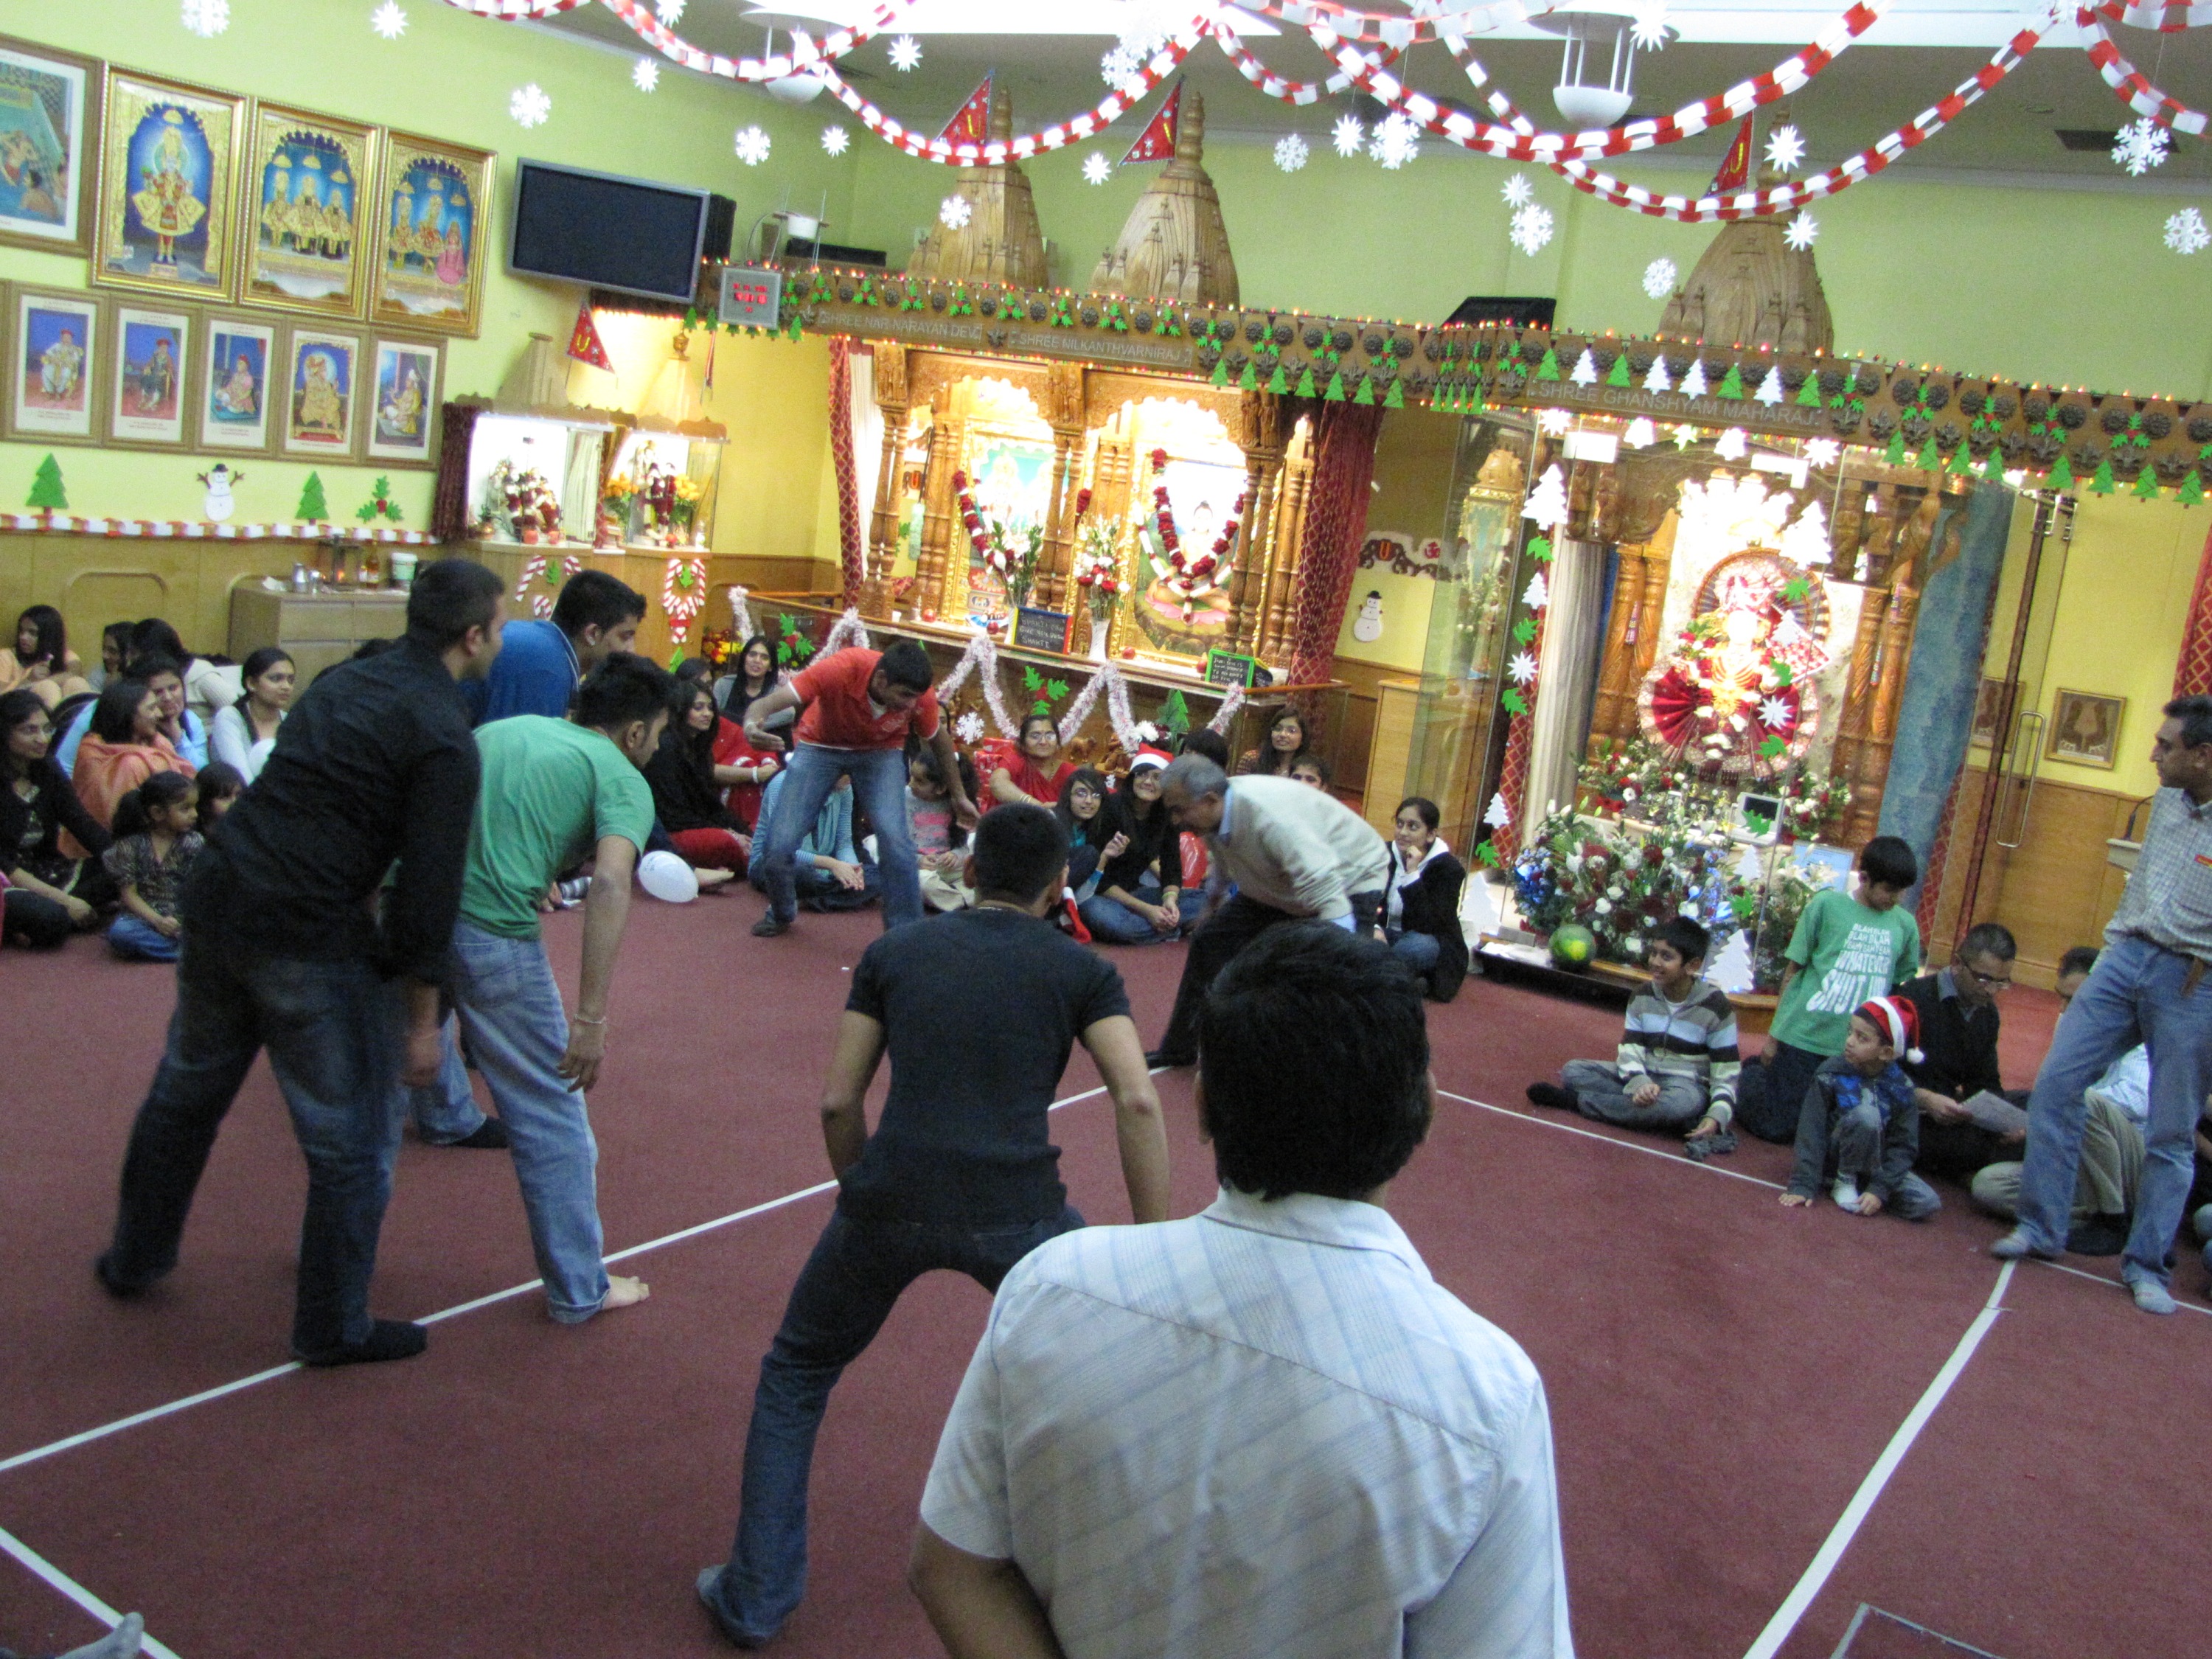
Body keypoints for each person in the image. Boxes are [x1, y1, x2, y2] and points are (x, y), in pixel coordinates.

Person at [908, 925, 1571, 1659]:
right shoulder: (1484, 1394)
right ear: (1426, 1104)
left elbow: (954, 1568)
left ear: (1203, 1106)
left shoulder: (1054, 1286)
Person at [697, 804, 1169, 1649]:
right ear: (1061, 883)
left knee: (797, 1371)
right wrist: (1159, 1242)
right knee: (1106, 1383)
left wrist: (866, 1194)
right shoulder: (1080, 971)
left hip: (891, 1194)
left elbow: (839, 1100)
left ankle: (756, 1594)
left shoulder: (894, 951)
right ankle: (1102, 1590)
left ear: (969, 869)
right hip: (1020, 1211)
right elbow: (1136, 1095)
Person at [95, 559, 505, 1367]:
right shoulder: (443, 737)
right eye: (498, 625)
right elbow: (428, 894)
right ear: (472, 636)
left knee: (187, 1090)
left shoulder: (342, 684)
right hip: (307, 931)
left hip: (222, 891)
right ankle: (332, 1325)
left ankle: (135, 1258)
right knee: (348, 1142)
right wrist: (424, 1027)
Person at [410, 653, 672, 1324]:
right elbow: (613, 883)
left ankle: (337, 1249)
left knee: (378, 1088)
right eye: (661, 731)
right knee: (554, 1114)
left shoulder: (506, 730)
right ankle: (580, 1287)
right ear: (637, 731)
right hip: (491, 931)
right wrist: (590, 1018)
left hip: (413, 910)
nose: (660, 746)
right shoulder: (620, 775)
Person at [1992, 695, 2212, 1315]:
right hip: (2124, 961)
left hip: (2195, 980)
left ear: (2203, 755)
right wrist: (2117, 947)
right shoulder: (2167, 799)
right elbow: (2141, 882)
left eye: (2167, 746)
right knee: (2057, 1085)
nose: (2154, 754)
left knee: (2172, 1133)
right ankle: (2042, 1227)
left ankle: (2146, 1266)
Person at [1146, 754, 1391, 1068]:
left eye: (1179, 809)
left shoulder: (1271, 819)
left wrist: (1337, 955)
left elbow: (1328, 892)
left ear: (1208, 800)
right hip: (1277, 886)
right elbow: (1222, 858)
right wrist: (1212, 905)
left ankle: (1352, 1064)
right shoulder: (1216, 810)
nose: (1175, 820)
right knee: (1209, 941)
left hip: (1349, 879)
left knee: (1341, 981)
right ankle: (1181, 1046)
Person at [742, 640, 977, 938]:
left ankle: (904, 935)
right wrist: (751, 726)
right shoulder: (841, 668)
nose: (910, 705)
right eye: (904, 695)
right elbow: (765, 704)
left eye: (915, 698)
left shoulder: (919, 696)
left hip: (880, 752)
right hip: (820, 746)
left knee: (896, 840)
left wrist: (958, 796)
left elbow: (939, 742)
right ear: (881, 680)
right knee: (780, 845)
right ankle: (781, 911)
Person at [1737, 835, 1921, 1144]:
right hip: (1805, 1036)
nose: (1897, 898)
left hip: (1856, 1050)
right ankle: (1752, 1073)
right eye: (1890, 889)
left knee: (1832, 1131)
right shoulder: (1826, 904)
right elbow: (1793, 973)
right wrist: (1774, 1038)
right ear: (1864, 879)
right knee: (1777, 1129)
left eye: (1903, 891)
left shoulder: (1905, 925)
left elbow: (1896, 990)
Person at [1528, 915, 1739, 1137]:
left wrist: (1716, 1114)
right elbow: (1631, 1049)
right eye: (1654, 953)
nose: (1656, 962)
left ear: (1692, 965)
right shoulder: (1641, 996)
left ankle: (1578, 1103)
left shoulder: (1716, 1008)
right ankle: (1655, 1115)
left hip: (1685, 1088)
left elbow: (1726, 1072)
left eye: (1666, 957)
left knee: (1680, 1104)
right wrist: (1639, 1082)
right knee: (1574, 1071)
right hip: (1644, 1074)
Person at [1779, 997, 1941, 1221]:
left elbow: (1904, 1146)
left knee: (1926, 1202)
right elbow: (1811, 1130)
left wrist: (1879, 1190)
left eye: (1862, 1038)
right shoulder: (1831, 1072)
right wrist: (1803, 1184)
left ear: (1885, 1053)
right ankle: (1842, 1179)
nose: (1850, 1042)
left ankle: (1864, 1190)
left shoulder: (1902, 1088)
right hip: (1834, 1156)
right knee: (1867, 1115)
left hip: (1874, 1164)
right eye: (1850, 1032)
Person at [1892, 922, 2020, 1185]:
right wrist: (1924, 1098)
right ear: (1957, 963)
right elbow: (1876, 1069)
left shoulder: (1987, 1013)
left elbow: (1984, 1080)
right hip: (1909, 1111)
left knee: (2032, 1106)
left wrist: (2002, 1119)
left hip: (1950, 1111)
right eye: (1983, 979)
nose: (1991, 990)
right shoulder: (1913, 998)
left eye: (2001, 982)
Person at [0, 688, 113, 947]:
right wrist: (66, 901)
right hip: (7, 881)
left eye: (47, 729)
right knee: (53, 921)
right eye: (30, 731)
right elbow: (4, 865)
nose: (43, 739)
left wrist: (131, 859)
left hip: (46, 869)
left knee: (121, 868)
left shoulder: (47, 768)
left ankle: (28, 924)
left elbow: (82, 824)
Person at [465, 567, 643, 726]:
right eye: (625, 637)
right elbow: (517, 757)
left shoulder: (546, 647)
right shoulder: (547, 670)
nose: (631, 650)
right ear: (592, 634)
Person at [1082, 747, 1199, 945]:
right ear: (1132, 778)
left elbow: (1172, 868)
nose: (1148, 782)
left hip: (1137, 891)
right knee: (1101, 916)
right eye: (1142, 774)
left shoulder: (1165, 815)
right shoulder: (1111, 807)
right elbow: (1099, 879)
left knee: (1201, 900)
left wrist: (1170, 901)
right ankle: (1170, 929)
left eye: (1156, 777)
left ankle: (1156, 925)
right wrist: (1147, 910)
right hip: (1100, 894)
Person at [644, 681, 751, 877]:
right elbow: (672, 814)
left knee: (752, 839)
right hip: (671, 831)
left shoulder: (699, 749)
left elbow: (710, 804)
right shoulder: (665, 748)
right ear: (681, 710)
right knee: (728, 843)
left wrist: (739, 831)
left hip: (694, 825)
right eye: (698, 708)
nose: (707, 714)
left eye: (710, 708)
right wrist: (729, 834)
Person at [72, 676, 195, 833]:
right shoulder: (95, 752)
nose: (159, 714)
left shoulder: (157, 741)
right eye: (151, 709)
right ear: (128, 715)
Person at [102, 772, 201, 963]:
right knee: (122, 933)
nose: (195, 815)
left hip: (183, 916)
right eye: (185, 809)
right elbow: (129, 894)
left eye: (195, 807)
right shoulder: (131, 845)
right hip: (145, 917)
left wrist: (181, 920)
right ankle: (192, 954)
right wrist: (158, 921)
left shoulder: (194, 843)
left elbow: (198, 889)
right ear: (157, 813)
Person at [1380, 796, 1470, 1001]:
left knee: (1418, 947)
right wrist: (1375, 929)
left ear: (1430, 835)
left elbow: (1428, 925)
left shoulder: (1448, 869)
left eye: (1413, 827)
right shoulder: (1382, 853)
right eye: (1400, 824)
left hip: (1425, 938)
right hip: (1385, 934)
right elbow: (1364, 900)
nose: (1402, 833)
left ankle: (1379, 980)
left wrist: (1412, 875)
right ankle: (1399, 982)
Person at [749, 768, 877, 912]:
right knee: (799, 872)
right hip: (775, 862)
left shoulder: (845, 789)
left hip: (825, 870)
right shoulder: (783, 784)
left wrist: (853, 870)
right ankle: (837, 896)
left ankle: (808, 900)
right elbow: (779, 851)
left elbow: (844, 844)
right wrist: (832, 865)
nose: (854, 776)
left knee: (879, 876)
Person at [206, 647, 294, 781]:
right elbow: (240, 777)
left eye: (290, 680)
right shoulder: (230, 717)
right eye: (276, 679)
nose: (286, 686)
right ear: (251, 683)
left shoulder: (290, 720)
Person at [908, 746, 975, 914]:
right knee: (922, 882)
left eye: (919, 781)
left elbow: (963, 844)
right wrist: (917, 860)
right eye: (911, 776)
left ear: (941, 788)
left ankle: (957, 900)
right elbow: (898, 842)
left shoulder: (958, 804)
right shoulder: (906, 798)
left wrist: (955, 855)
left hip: (949, 868)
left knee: (977, 872)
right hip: (919, 867)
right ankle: (964, 903)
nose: (910, 783)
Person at [0, 605, 89, 709]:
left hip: (61, 713)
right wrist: (29, 681)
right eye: (21, 631)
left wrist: (44, 680)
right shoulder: (6, 657)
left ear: (48, 636)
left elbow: (74, 674)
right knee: (47, 688)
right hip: (19, 714)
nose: (23, 637)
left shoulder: (65, 655)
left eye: (32, 633)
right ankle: (49, 725)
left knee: (77, 683)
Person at [1052, 766, 1119, 903]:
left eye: (1096, 795)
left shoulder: (1093, 834)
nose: (1089, 801)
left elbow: (1081, 897)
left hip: (1063, 902)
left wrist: (1104, 857)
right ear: (1068, 797)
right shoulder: (1051, 823)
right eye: (1081, 793)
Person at [987, 712, 1075, 807]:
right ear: (1022, 744)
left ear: (1058, 742)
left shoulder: (1068, 771)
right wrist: (1036, 805)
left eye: (1050, 736)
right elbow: (997, 784)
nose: (1043, 742)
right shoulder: (1015, 760)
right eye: (1035, 736)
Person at [715, 633, 791, 741]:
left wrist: (747, 727)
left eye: (764, 658)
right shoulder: (724, 685)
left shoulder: (778, 694)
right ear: (744, 659)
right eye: (752, 654)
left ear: (770, 667)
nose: (757, 661)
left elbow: (789, 713)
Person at [1233, 707, 1309, 778]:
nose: (1283, 735)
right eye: (1278, 729)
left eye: (1291, 731)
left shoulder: (1307, 768)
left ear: (1303, 738)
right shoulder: (1252, 759)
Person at [193, 760, 243, 831]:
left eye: (239, 795)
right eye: (224, 797)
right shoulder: (192, 839)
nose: (234, 802)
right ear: (205, 800)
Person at [87, 621, 133, 692]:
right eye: (104, 649)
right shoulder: (98, 675)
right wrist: (108, 690)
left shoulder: (144, 676)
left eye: (112, 651)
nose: (104, 656)